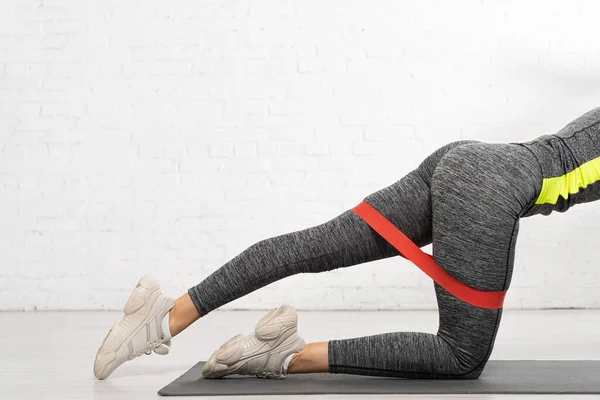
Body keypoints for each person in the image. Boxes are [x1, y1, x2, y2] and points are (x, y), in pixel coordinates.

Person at [94, 106, 600, 381]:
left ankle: (163, 316)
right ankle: (286, 356)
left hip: (465, 158)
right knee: (461, 356)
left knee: (315, 245)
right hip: (491, 188)